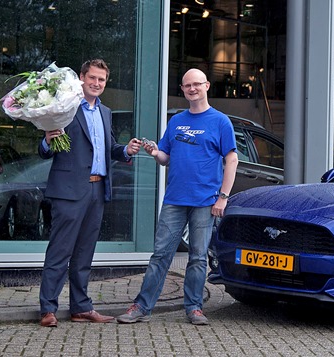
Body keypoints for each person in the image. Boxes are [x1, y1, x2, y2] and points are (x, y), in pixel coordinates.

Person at [116, 68, 238, 325]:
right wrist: (154, 152)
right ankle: (141, 306)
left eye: (197, 84)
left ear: (206, 86)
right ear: (182, 89)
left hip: (205, 201)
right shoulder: (176, 121)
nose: (192, 89)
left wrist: (223, 197)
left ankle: (194, 307)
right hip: (175, 199)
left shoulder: (220, 121)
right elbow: (165, 158)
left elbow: (232, 159)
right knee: (160, 255)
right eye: (187, 85)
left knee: (197, 256)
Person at [38, 59, 141, 327]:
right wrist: (47, 140)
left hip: (97, 189)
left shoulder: (105, 112)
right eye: (92, 78)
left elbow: (109, 148)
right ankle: (48, 309)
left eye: (102, 80)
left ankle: (81, 307)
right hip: (69, 191)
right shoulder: (66, 106)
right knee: (60, 252)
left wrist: (125, 150)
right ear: (82, 77)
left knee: (84, 254)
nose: (97, 83)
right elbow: (45, 148)